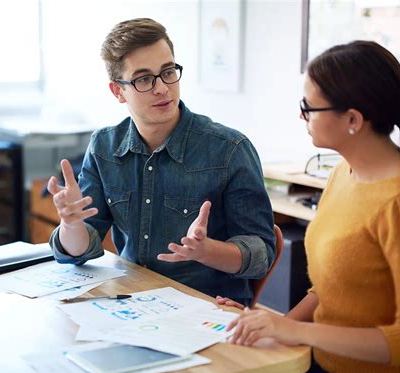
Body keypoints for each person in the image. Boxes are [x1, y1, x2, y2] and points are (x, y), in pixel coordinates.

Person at [222, 41, 400, 373]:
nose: (302, 116)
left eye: (308, 107)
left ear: (353, 120)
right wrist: (275, 324)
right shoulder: (344, 172)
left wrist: (296, 333)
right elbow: (331, 289)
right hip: (323, 364)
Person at [46, 18, 275, 306]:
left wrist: (206, 251)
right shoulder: (104, 146)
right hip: (131, 302)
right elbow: (78, 253)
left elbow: (261, 256)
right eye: (143, 79)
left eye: (168, 72)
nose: (162, 88)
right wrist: (71, 225)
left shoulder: (230, 150)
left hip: (206, 308)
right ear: (118, 91)